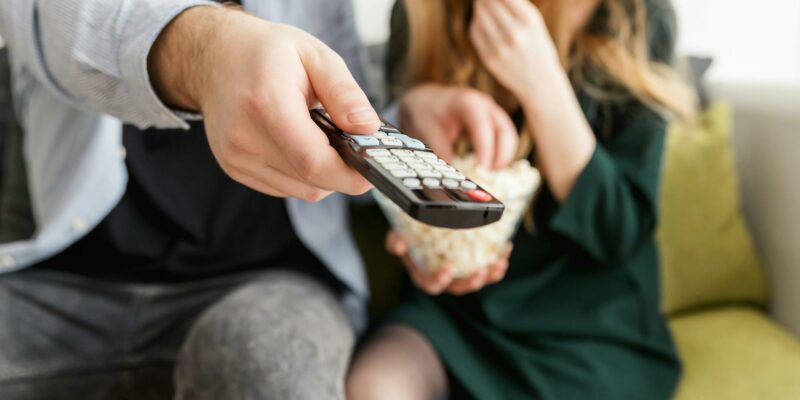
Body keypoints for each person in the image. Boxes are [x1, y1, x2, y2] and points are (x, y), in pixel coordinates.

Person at [0, 0, 402, 399]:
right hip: (68, 281)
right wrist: (209, 53)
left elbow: (353, 123)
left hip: (275, 283)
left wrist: (410, 113)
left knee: (265, 365)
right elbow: (46, 18)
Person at [348, 0, 696, 399]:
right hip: (454, 314)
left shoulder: (635, 15)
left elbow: (616, 233)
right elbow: (406, 191)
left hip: (589, 324)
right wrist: (424, 245)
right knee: (373, 387)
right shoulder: (419, 14)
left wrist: (543, 84)